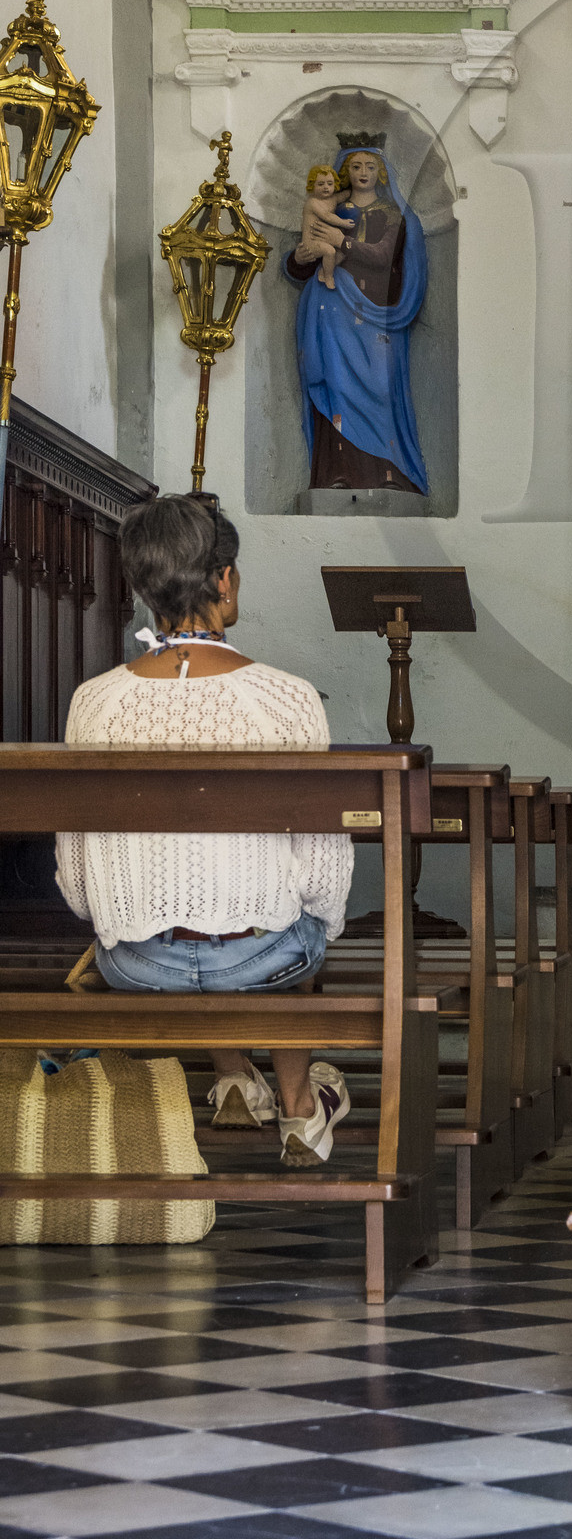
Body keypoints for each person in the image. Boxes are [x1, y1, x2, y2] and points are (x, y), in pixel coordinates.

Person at [54, 495, 353, 1164]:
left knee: (220, 909)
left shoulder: (93, 702)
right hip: (264, 959)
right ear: (223, 580)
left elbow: (77, 884)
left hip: (134, 961)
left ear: (143, 586)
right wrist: (316, 929)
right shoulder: (285, 697)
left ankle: (233, 1077)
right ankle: (302, 1106)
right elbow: (325, 876)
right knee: (293, 920)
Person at [285, 139, 429, 493]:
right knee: (335, 385)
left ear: (380, 172)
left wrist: (342, 241)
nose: (362, 173)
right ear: (343, 171)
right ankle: (339, 473)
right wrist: (299, 259)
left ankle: (387, 474)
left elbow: (382, 257)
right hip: (329, 309)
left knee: (379, 388)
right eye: (355, 166)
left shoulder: (392, 215)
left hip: (376, 316)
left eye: (369, 166)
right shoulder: (327, 208)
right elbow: (302, 261)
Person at [300, 162, 354, 290]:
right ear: (312, 186)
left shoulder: (332, 199)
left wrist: (354, 191)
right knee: (329, 251)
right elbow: (327, 216)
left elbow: (344, 195)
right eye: (321, 184)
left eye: (330, 184)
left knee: (343, 252)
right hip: (311, 242)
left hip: (324, 238)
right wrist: (343, 222)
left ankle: (325, 270)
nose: (326, 187)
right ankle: (328, 277)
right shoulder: (313, 202)